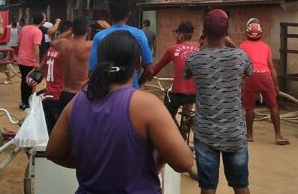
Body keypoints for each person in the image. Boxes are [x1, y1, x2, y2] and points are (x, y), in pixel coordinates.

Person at [46, 30, 193, 192]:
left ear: (99, 62)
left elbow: (53, 152)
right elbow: (184, 162)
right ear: (138, 63)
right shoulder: (148, 105)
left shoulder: (77, 102)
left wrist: (95, 165)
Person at [184, 9, 253, 194]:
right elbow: (249, 70)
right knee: (241, 186)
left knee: (207, 188)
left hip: (205, 133)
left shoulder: (194, 59)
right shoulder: (240, 56)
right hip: (234, 132)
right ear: (227, 31)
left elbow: (186, 74)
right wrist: (231, 44)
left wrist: (203, 48)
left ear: (204, 32)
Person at [239, 18, 289, 145]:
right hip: (265, 76)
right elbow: (272, 68)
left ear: (246, 32)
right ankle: (278, 135)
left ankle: (249, 135)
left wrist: (241, 81)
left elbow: (240, 66)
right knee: (273, 106)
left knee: (249, 107)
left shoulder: (242, 46)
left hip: (251, 76)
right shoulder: (266, 47)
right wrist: (276, 86)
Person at [88, 0, 153, 88]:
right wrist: (137, 84)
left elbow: (92, 72)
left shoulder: (99, 36)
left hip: (106, 90)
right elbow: (149, 70)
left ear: (109, 13)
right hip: (130, 90)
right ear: (128, 14)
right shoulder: (139, 35)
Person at [151, 20, 199, 120]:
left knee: (166, 116)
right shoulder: (199, 47)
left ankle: (170, 125)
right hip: (198, 94)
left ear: (180, 35)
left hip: (179, 95)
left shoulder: (172, 49)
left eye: (176, 34)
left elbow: (157, 68)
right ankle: (186, 123)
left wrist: (147, 76)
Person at [55, 16, 103, 108]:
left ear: (73, 29)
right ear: (88, 30)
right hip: (79, 93)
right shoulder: (89, 46)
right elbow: (113, 41)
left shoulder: (63, 44)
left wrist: (71, 31)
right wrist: (107, 29)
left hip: (65, 92)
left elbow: (54, 41)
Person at [17, 12, 44, 110]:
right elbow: (36, 47)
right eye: (44, 18)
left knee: (24, 81)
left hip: (21, 59)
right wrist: (37, 62)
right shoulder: (38, 32)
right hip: (30, 60)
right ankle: (27, 103)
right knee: (29, 82)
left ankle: (24, 102)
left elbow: (18, 42)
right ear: (42, 21)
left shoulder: (24, 28)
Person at [40, 36, 64, 133]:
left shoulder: (50, 49)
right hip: (59, 94)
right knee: (59, 129)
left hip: (49, 93)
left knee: (48, 129)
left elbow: (42, 67)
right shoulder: (64, 52)